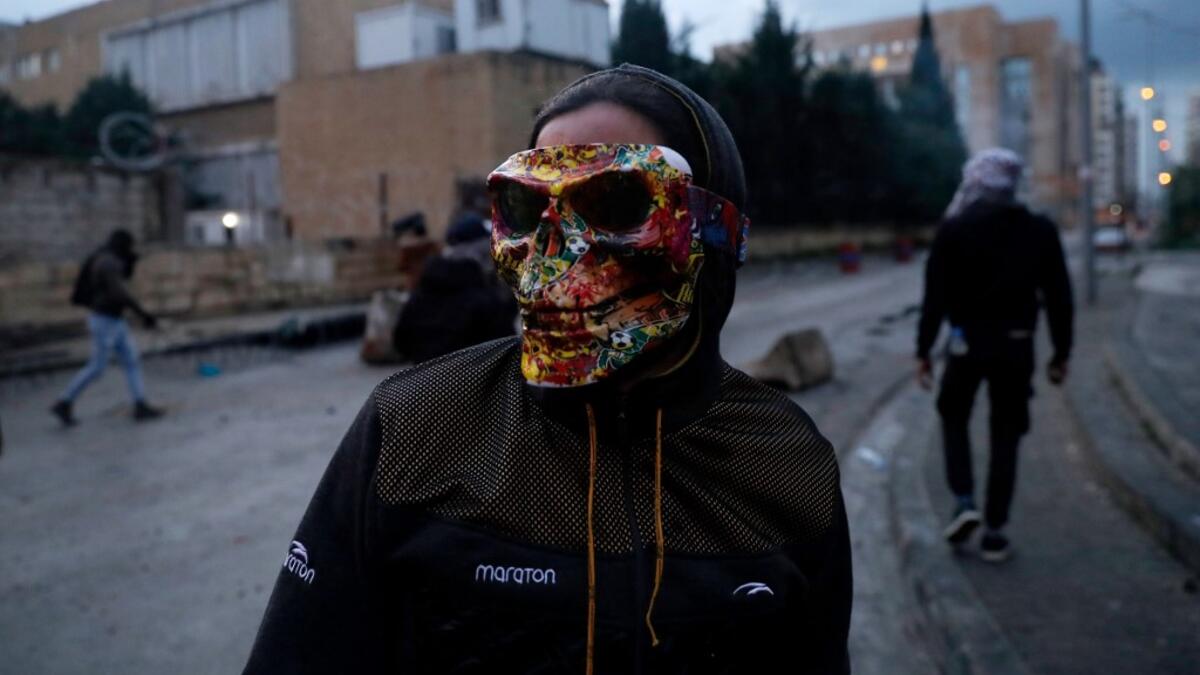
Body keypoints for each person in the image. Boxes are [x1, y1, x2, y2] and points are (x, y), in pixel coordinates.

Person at [243, 64, 851, 674]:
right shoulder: (413, 427)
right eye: (524, 208)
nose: (551, 259)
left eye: (615, 202)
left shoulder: (786, 463)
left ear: (713, 233)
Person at [916, 148, 1073, 563]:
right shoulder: (1039, 229)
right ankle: (995, 532)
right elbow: (1059, 296)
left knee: (953, 416)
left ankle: (964, 499)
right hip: (1017, 347)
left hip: (965, 346)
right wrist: (1061, 353)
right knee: (1006, 435)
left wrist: (923, 352)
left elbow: (934, 296)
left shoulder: (954, 229)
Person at [51, 229, 164, 425]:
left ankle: (139, 404)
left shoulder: (106, 258)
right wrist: (143, 314)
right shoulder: (108, 263)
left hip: (114, 320)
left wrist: (131, 263)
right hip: (105, 321)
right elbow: (119, 293)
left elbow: (122, 282)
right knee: (97, 367)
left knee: (131, 361)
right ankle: (64, 401)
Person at [392, 212, 517, 363]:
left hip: (424, 382)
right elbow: (508, 348)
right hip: (473, 383)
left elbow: (401, 342)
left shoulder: (423, 291)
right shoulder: (486, 300)